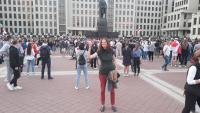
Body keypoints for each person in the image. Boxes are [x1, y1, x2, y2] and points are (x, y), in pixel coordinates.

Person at [88, 38, 117, 112]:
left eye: (105, 43)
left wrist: (115, 68)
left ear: (107, 43)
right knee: (102, 90)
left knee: (112, 90)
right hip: (103, 72)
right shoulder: (99, 51)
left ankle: (113, 105)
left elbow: (114, 60)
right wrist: (90, 47)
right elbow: (90, 57)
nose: (103, 44)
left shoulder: (111, 50)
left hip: (112, 72)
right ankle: (102, 105)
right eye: (102, 43)